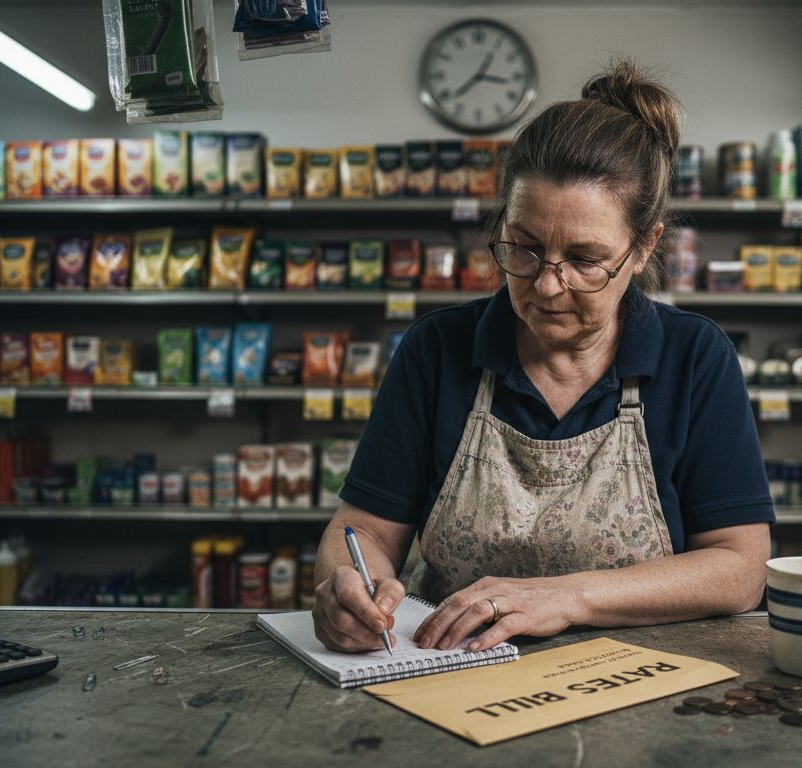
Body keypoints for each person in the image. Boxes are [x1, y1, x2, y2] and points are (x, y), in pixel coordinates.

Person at [312, 61, 774, 655]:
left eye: (585, 259)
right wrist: (345, 583)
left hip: (639, 685)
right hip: (451, 673)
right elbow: (364, 528)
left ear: (644, 248)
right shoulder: (437, 351)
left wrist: (566, 596)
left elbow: (741, 566)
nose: (548, 286)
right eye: (525, 249)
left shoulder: (695, 358)